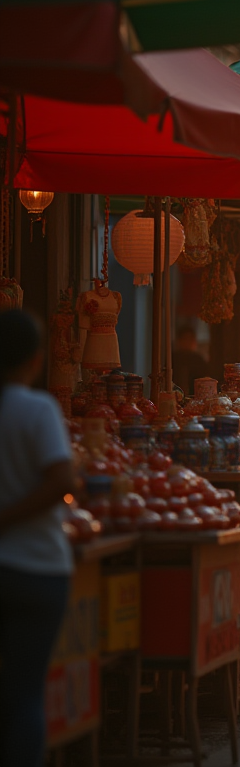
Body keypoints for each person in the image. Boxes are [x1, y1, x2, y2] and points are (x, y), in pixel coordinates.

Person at [0, 309, 79, 766]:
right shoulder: (37, 409)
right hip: (39, 568)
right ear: (35, 359)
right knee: (27, 690)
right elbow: (61, 480)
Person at [172, 323, 213, 395]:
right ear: (179, 340)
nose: (187, 342)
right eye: (185, 339)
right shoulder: (173, 359)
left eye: (190, 339)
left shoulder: (198, 360)